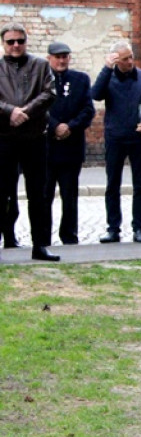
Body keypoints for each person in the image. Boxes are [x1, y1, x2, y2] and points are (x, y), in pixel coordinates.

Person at [90, 40, 141, 244]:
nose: (130, 61)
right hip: (115, 137)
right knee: (112, 184)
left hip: (139, 137)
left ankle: (139, 227)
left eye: (131, 57)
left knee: (140, 185)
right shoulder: (109, 78)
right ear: (116, 60)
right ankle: (113, 228)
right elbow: (95, 94)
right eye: (125, 59)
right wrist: (106, 68)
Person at [0, 22, 58, 261]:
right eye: (10, 41)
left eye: (20, 41)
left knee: (38, 193)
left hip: (34, 136)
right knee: (1, 191)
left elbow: (49, 93)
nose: (16, 45)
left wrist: (25, 111)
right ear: (3, 43)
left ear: (26, 41)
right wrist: (9, 111)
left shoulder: (41, 65)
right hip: (3, 137)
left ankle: (40, 245)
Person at [44, 41, 94, 246]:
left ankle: (69, 235)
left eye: (65, 56)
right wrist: (55, 126)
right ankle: (42, 237)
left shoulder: (80, 79)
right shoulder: (41, 79)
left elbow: (88, 110)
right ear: (49, 58)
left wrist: (70, 126)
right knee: (44, 196)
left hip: (71, 147)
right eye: (57, 56)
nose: (62, 60)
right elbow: (38, 108)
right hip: (46, 148)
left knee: (70, 196)